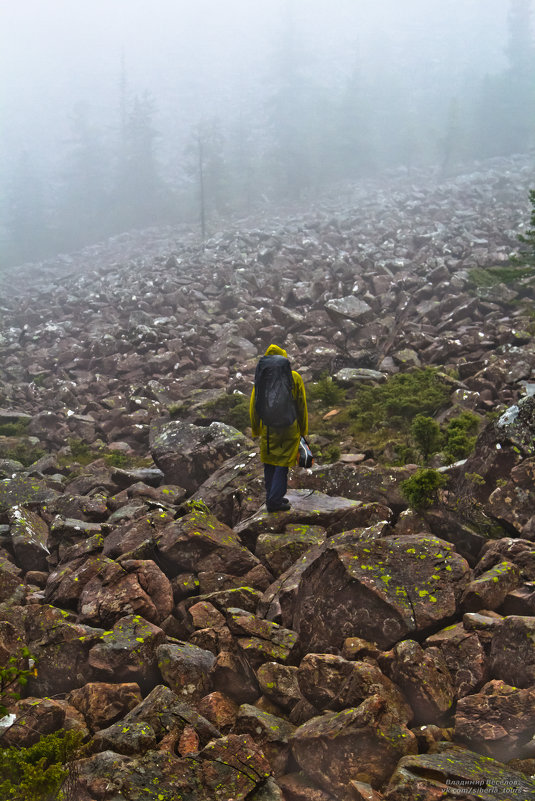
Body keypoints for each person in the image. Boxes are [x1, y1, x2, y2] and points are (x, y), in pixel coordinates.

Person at [249, 344, 308, 513]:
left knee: (269, 462)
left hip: (268, 428)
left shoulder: (262, 378)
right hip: (290, 428)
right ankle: (274, 501)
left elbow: (254, 405)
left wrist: (256, 428)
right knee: (282, 464)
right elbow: (301, 406)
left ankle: (272, 496)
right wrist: (303, 430)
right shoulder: (294, 377)